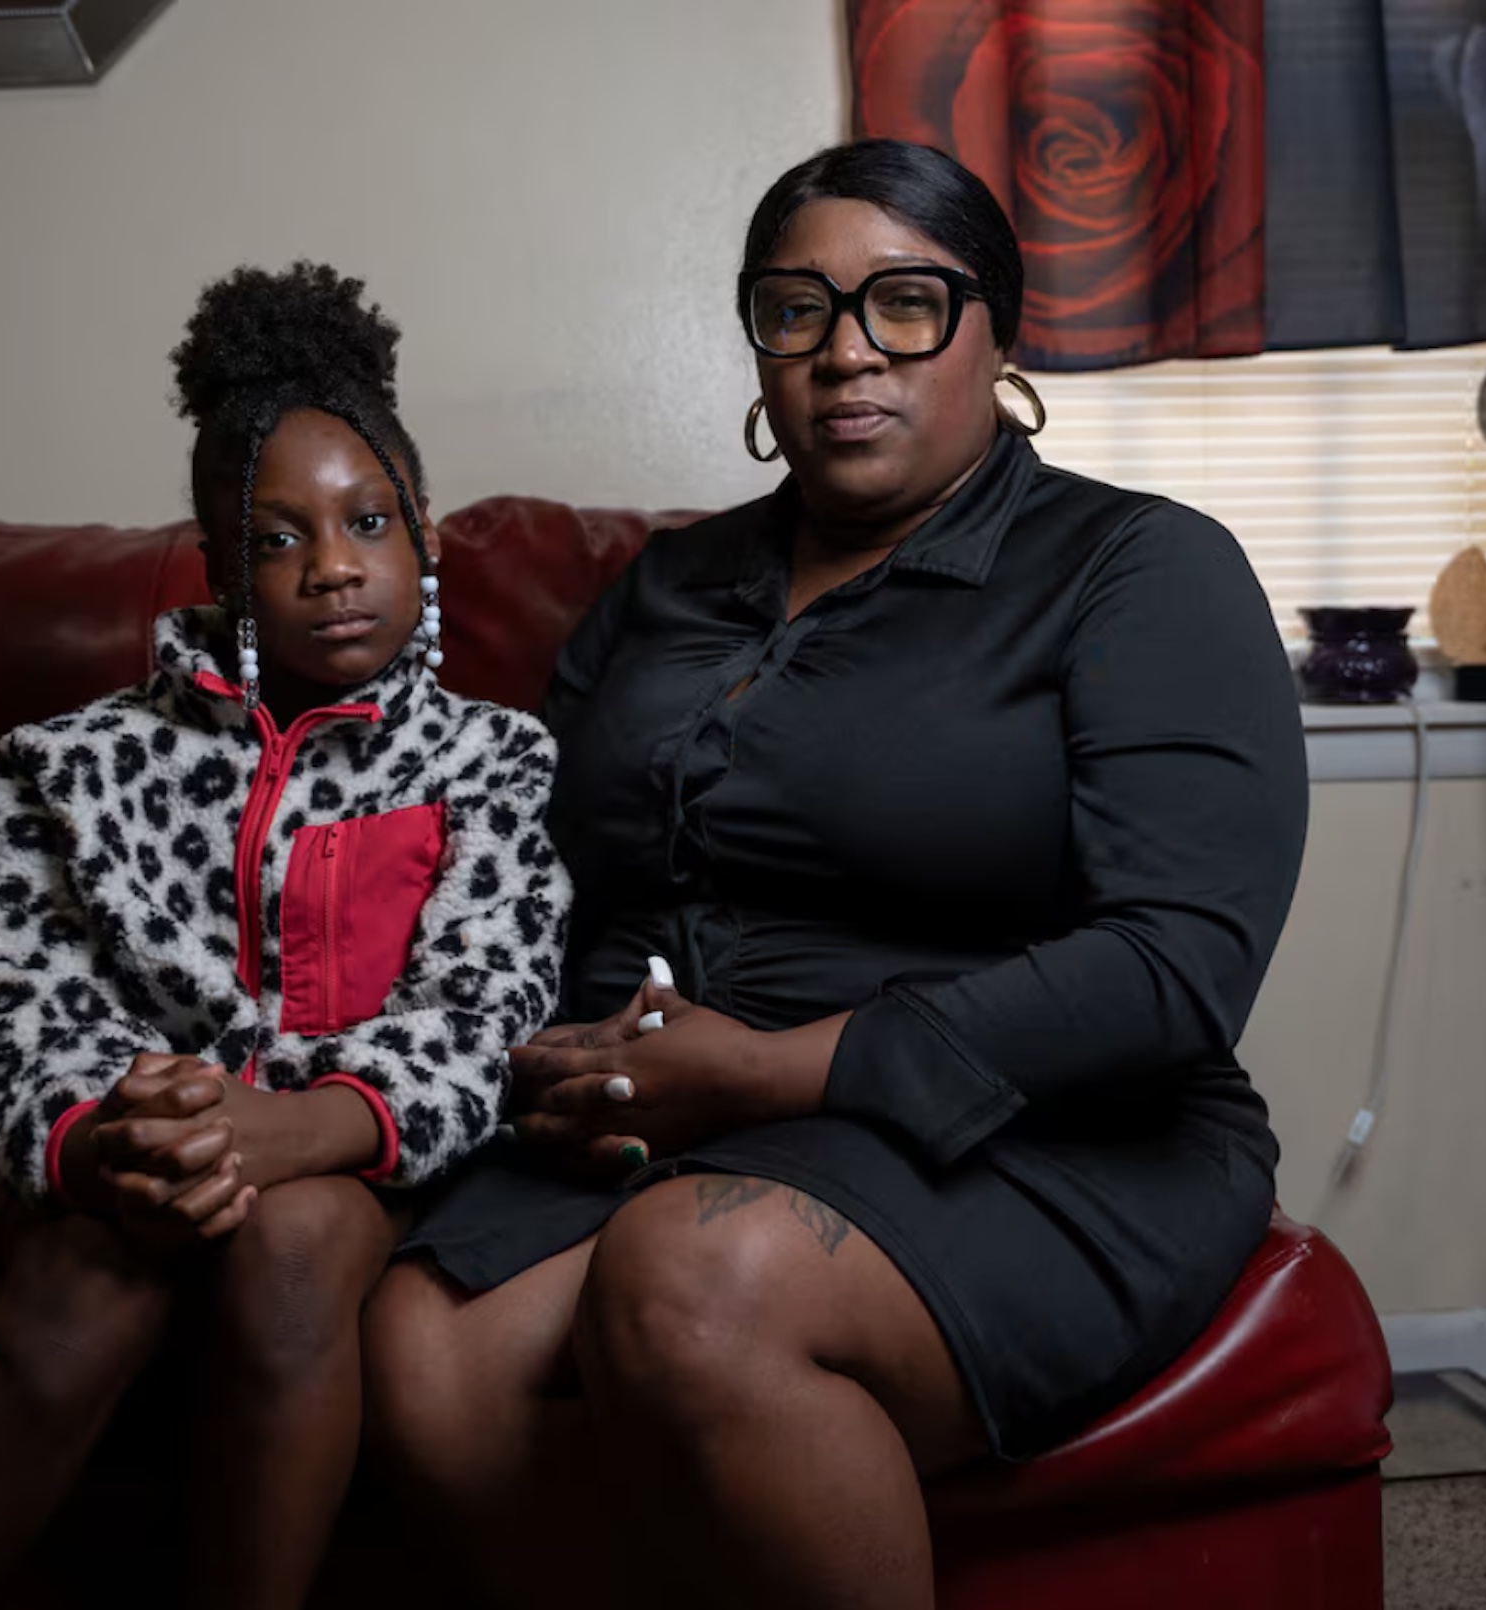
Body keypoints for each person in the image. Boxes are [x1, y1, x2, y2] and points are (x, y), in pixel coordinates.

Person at [361, 139, 1309, 1610]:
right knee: (428, 1343)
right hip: (662, 1113)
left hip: (1044, 1128)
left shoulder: (1137, 567)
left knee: (695, 1278)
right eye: (794, 308)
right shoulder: (669, 586)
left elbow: (1175, 965)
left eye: (905, 302)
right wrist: (549, 1059)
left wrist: (755, 1074)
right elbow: (533, 875)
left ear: (998, 331)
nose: (846, 350)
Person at [0, 262, 571, 1610]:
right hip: (144, 1142)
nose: (335, 566)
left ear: (425, 537)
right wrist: (116, 1134)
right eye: (279, 538)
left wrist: (291, 1129)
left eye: (370, 520)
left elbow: (493, 1010)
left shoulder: (491, 760)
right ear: (219, 568)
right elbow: (4, 997)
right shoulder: (66, 765)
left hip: (361, 1160)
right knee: (75, 1287)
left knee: (289, 1247)